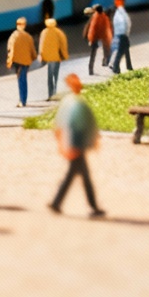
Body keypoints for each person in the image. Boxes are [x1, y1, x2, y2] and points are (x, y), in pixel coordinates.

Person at [49, 74, 104, 218]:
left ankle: (57, 202)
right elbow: (72, 123)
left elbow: (62, 122)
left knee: (75, 175)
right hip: (75, 142)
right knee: (82, 176)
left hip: (74, 142)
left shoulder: (71, 101)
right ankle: (92, 207)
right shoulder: (74, 103)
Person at [38, 15, 70, 99]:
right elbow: (63, 44)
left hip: (48, 59)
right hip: (56, 58)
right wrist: (65, 55)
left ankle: (50, 94)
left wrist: (41, 56)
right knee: (56, 76)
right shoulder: (58, 32)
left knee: (49, 76)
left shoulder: (44, 32)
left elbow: (41, 46)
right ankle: (55, 93)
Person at [7, 16, 37, 107]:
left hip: (17, 62)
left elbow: (10, 49)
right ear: (24, 25)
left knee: (20, 80)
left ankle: (22, 100)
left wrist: (9, 60)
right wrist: (34, 57)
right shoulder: (28, 36)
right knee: (24, 80)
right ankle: (24, 99)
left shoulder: (13, 36)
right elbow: (32, 50)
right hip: (26, 62)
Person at [107, 0, 135, 73]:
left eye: (117, 0)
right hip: (121, 35)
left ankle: (126, 66)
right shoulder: (120, 11)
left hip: (120, 34)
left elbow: (125, 22)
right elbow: (125, 22)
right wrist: (125, 33)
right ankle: (115, 67)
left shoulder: (119, 11)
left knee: (122, 49)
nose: (115, 1)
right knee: (120, 50)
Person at [83, 3, 113, 75]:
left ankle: (91, 70)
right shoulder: (103, 17)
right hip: (102, 36)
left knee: (93, 54)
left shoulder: (95, 17)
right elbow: (107, 28)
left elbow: (92, 30)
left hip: (95, 37)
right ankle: (105, 62)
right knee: (106, 49)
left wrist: (91, 40)